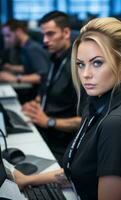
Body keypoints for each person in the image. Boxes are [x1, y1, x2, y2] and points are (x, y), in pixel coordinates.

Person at [11, 17, 121, 200]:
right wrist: (28, 180)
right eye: (80, 64)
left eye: (97, 63)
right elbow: (78, 172)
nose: (85, 75)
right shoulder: (98, 105)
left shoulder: (116, 125)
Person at [22, 11, 82, 165]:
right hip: (44, 134)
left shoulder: (78, 68)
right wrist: (36, 103)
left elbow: (85, 121)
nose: (45, 40)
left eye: (50, 34)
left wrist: (49, 122)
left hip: (61, 146)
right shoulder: (53, 58)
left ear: (66, 32)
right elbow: (45, 91)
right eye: (43, 35)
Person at [0, 19, 50, 84]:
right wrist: (11, 68)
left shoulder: (32, 49)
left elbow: (42, 76)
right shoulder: (24, 47)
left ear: (18, 32)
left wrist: (14, 78)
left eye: (8, 35)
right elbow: (30, 68)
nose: (6, 40)